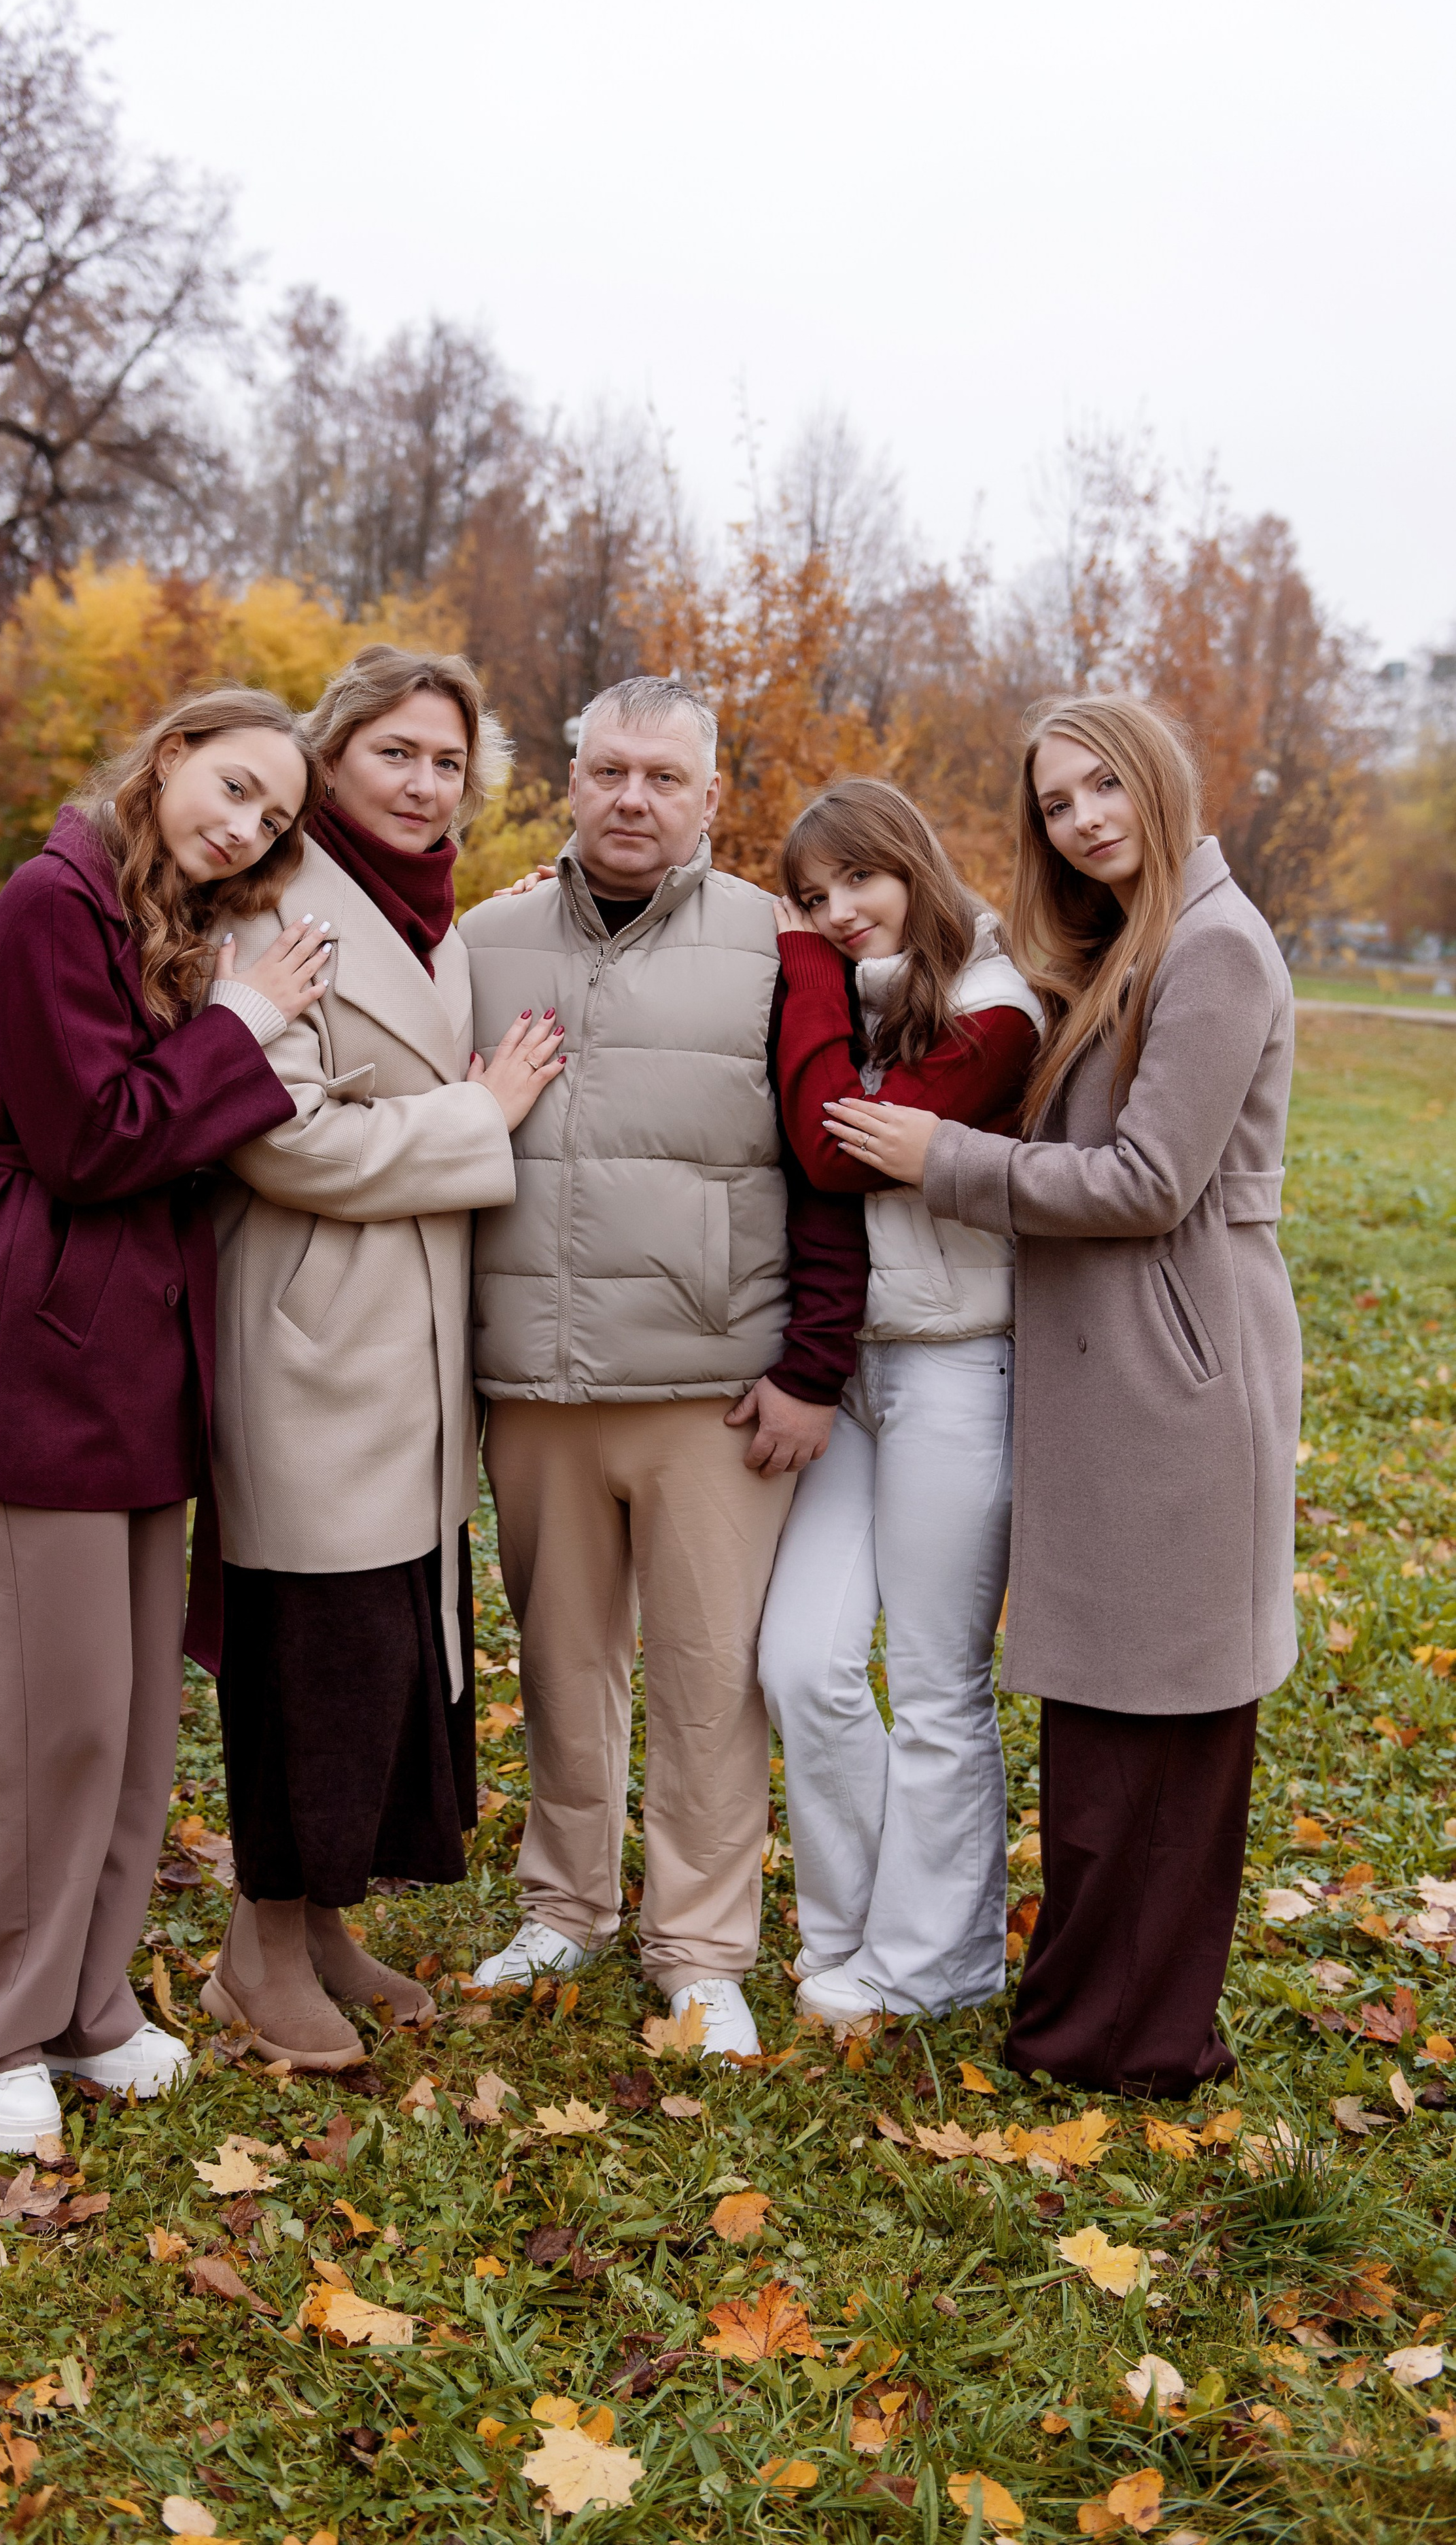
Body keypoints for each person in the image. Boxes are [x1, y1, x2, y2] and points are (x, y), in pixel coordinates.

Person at [838, 694, 1298, 2096]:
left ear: (1158, 779)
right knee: (1106, 1724)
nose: (1083, 816)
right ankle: (1092, 2017)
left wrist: (941, 1161)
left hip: (1173, 1376)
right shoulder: (1127, 945)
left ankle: (1128, 2038)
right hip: (1114, 1375)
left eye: (1103, 785)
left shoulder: (1213, 946)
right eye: (1053, 802)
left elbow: (1147, 1181)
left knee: (1160, 1715)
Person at [0, 685, 332, 2153]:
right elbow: (94, 1137)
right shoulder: (53, 901)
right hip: (47, 1340)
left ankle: (88, 2005)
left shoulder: (147, 912)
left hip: (144, 1354)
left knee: (133, 1717)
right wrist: (243, 1024)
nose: (243, 829)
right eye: (232, 789)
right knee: (58, 1723)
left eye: (272, 821)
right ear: (169, 758)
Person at [457, 675, 854, 2060]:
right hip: (539, 1380)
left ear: (707, 800)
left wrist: (811, 1364)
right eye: (607, 771)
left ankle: (699, 1950)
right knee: (560, 1663)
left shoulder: (780, 947)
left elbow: (829, 1173)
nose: (632, 799)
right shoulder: (484, 937)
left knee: (704, 1676)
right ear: (567, 779)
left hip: (711, 1388)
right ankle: (561, 1904)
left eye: (662, 779)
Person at [197, 647, 566, 2070]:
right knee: (307, 1648)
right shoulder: (273, 906)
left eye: (448, 764)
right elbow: (271, 1133)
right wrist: (478, 1119)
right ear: (331, 754)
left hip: (407, 1343)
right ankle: (256, 1948)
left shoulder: (433, 920)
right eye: (395, 755)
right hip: (309, 1331)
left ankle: (323, 1924)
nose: (424, 786)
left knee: (385, 1647)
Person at [758, 780, 1041, 2026]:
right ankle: (859, 1927)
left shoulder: (997, 1009)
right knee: (802, 1663)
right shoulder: (858, 998)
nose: (839, 913)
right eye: (813, 898)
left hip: (953, 1367)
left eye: (859, 882)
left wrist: (802, 966)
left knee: (933, 1684)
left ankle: (939, 1963)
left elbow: (835, 1145)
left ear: (914, 863)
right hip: (847, 1371)